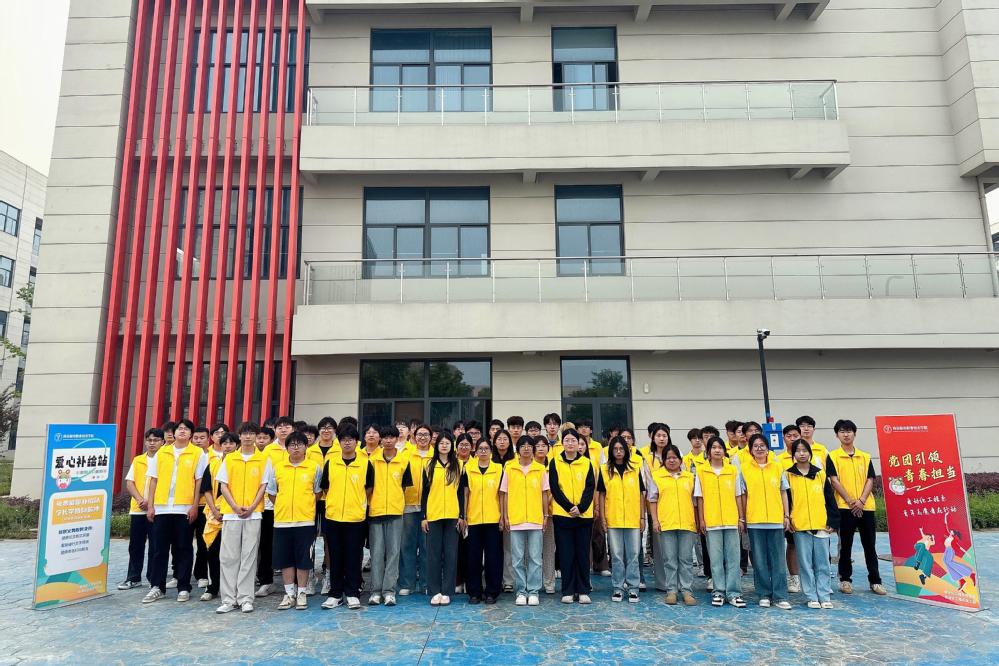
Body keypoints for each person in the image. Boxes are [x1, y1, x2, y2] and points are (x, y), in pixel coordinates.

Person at [142, 418, 209, 603]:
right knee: (159, 549)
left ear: (191, 434)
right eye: (179, 428)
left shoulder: (198, 453)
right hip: (162, 508)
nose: (182, 431)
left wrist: (194, 506)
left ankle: (184, 587)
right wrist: (151, 505)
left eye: (186, 429)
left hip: (184, 508)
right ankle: (157, 586)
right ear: (174, 432)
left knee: (184, 548)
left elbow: (199, 482)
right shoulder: (162, 452)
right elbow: (153, 480)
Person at [215, 422, 271, 613]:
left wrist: (252, 506)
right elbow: (223, 485)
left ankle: (246, 598)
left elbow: (263, 486)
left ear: (256, 436)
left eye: (251, 433)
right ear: (239, 436)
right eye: (244, 433)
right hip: (231, 514)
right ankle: (228, 599)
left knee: (249, 557)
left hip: (254, 514)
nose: (248, 437)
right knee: (229, 557)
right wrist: (234, 506)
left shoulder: (263, 459)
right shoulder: (230, 458)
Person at [826, 419, 887, 595]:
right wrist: (851, 501)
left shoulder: (865, 456)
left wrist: (861, 501)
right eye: (842, 431)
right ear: (837, 435)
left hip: (866, 506)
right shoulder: (833, 456)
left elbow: (870, 479)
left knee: (870, 546)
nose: (846, 434)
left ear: (854, 433)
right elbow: (834, 480)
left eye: (849, 431)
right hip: (844, 507)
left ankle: (875, 581)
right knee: (845, 545)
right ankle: (845, 580)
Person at [267, 432, 323, 610]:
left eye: (300, 444)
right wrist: (283, 506)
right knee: (286, 559)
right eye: (292, 444)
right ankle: (289, 593)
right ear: (287, 448)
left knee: (303, 559)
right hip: (282, 521)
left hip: (305, 521)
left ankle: (302, 593)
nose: (296, 448)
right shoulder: (278, 468)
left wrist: (305, 505)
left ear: (306, 447)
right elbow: (272, 493)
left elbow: (317, 493)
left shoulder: (314, 468)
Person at [320, 425, 373, 611]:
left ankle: (352, 593)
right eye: (343, 439)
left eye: (351, 439)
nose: (347, 442)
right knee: (335, 556)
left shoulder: (366, 463)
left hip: (356, 518)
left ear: (357, 442)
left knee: (353, 556)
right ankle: (335, 594)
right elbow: (325, 486)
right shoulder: (331, 463)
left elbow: (369, 488)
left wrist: (357, 502)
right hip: (333, 516)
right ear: (339, 442)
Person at [785, 439, 839, 609]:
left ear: (810, 452)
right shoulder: (788, 475)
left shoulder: (820, 474)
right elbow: (787, 501)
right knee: (805, 564)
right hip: (800, 526)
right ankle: (811, 596)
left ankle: (824, 595)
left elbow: (830, 499)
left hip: (821, 524)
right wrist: (788, 519)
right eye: (798, 450)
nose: (802, 453)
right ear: (793, 454)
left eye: (805, 450)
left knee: (823, 563)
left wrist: (832, 521)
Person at [740, 433, 792, 609]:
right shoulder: (744, 469)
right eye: (755, 446)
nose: (759, 448)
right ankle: (764, 594)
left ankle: (780, 595)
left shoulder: (777, 467)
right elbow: (743, 495)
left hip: (776, 520)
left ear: (768, 448)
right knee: (759, 560)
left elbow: (783, 491)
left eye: (762, 445)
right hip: (755, 521)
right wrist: (743, 517)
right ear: (750, 450)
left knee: (778, 560)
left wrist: (786, 515)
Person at [696, 437, 746, 608]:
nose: (717, 450)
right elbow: (700, 498)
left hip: (731, 520)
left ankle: (734, 593)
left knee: (733, 559)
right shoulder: (701, 471)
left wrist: (741, 518)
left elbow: (738, 495)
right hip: (712, 521)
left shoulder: (732, 470)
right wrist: (702, 519)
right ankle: (718, 592)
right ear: (708, 451)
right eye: (714, 447)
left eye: (720, 447)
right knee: (716, 559)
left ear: (724, 451)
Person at [501, 436, 550, 606]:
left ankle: (534, 591)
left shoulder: (540, 469)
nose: (527, 448)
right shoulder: (510, 468)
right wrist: (505, 516)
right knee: (517, 559)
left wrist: (545, 516)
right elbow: (504, 494)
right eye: (523, 445)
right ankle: (521, 591)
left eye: (530, 445)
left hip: (535, 519)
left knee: (535, 558)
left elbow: (545, 494)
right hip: (516, 519)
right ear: (518, 449)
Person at [367, 424, 413, 606]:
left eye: (391, 437)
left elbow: (404, 486)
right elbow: (368, 487)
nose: (388, 440)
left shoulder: (404, 461)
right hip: (376, 512)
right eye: (385, 437)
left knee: (394, 553)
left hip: (395, 512)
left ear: (396, 439)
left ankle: (389, 591)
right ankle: (375, 591)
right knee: (377, 553)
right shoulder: (372, 461)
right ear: (381, 439)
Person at [549, 428, 595, 604]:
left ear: (579, 444)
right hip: (563, 515)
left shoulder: (586, 463)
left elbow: (590, 488)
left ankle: (583, 590)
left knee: (582, 554)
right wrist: (569, 507)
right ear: (562, 443)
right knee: (566, 553)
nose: (570, 443)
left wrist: (581, 508)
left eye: (573, 440)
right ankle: (567, 590)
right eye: (567, 440)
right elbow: (555, 488)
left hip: (584, 516)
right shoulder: (555, 462)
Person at [649, 444, 698, 606]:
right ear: (663, 460)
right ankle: (671, 591)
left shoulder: (689, 477)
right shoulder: (657, 476)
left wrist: (697, 521)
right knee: (669, 559)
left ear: (680, 460)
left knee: (686, 559)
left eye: (674, 457)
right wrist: (655, 521)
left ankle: (687, 591)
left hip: (687, 523)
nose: (671, 460)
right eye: (668, 458)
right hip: (666, 523)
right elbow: (652, 500)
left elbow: (695, 501)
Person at [598, 436, 645, 602]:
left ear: (626, 450)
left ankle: (633, 588)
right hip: (613, 518)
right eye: (615, 449)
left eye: (621, 449)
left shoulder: (635, 469)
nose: (618, 452)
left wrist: (642, 517)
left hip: (633, 518)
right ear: (611, 451)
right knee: (616, 555)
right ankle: (618, 587)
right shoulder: (604, 470)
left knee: (633, 555)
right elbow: (601, 495)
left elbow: (641, 494)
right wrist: (603, 518)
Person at [421, 430, 464, 606]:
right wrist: (424, 516)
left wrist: (461, 516)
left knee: (451, 554)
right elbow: (425, 492)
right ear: (436, 445)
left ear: (451, 446)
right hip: (434, 514)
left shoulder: (459, 465)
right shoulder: (428, 465)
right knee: (433, 555)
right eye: (441, 443)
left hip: (453, 515)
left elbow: (461, 493)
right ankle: (434, 591)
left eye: (447, 443)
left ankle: (447, 591)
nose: (444, 445)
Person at [118, 428, 164, 590]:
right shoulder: (138, 460)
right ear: (145, 442)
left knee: (155, 546)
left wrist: (151, 503)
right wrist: (140, 499)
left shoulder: (165, 460)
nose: (152, 443)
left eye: (156, 440)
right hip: (138, 509)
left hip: (157, 509)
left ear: (162, 442)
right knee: (135, 545)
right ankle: (133, 577)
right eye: (149, 440)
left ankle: (153, 578)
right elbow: (130, 483)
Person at [255, 415, 294, 597]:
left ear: (293, 429)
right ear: (275, 430)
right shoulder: (267, 450)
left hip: (293, 505)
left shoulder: (299, 447)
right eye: (280, 427)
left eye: (287, 426)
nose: (283, 430)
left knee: (290, 543)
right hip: (269, 505)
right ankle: (266, 581)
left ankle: (294, 582)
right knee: (266, 544)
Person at [461, 439, 503, 604]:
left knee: (493, 558)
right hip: (474, 519)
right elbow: (465, 494)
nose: (483, 451)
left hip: (494, 519)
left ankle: (492, 592)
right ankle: (474, 592)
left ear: (491, 451)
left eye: (486, 448)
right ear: (475, 451)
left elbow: (502, 495)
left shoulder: (498, 469)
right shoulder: (468, 469)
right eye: (480, 449)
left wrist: (502, 516)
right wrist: (464, 516)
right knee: (473, 558)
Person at [198, 432, 238, 602]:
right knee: (213, 552)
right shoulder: (213, 464)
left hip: (235, 514)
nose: (228, 446)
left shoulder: (240, 465)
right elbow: (206, 489)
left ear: (237, 445)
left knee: (233, 554)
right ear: (220, 446)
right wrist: (214, 510)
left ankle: (232, 587)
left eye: (231, 443)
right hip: (215, 515)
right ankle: (213, 587)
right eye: (225, 443)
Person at [307, 415, 340, 596]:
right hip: (312, 500)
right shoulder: (310, 451)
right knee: (309, 539)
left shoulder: (339, 449)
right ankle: (310, 576)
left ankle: (328, 575)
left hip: (332, 500)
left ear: (334, 431)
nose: (326, 431)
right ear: (319, 431)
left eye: (330, 427)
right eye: (323, 428)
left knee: (329, 539)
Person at [400, 423, 433, 596]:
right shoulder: (406, 454)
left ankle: (426, 583)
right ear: (414, 436)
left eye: (426, 434)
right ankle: (407, 583)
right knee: (407, 545)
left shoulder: (436, 456)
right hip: (409, 505)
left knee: (427, 546)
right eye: (419, 434)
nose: (422, 437)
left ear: (431, 437)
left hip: (430, 507)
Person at [644, 423, 672, 591]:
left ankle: (677, 581)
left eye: (664, 435)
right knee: (660, 548)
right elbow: (648, 484)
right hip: (655, 507)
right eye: (658, 436)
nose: (662, 438)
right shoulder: (648, 459)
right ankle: (663, 582)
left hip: (674, 506)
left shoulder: (675, 454)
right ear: (653, 438)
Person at [492, 428, 516, 591]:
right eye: (499, 439)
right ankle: (493, 579)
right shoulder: (487, 459)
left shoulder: (515, 461)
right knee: (493, 548)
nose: (502, 442)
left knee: (508, 547)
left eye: (505, 439)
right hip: (490, 508)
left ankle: (508, 580)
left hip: (510, 508)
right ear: (494, 442)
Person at [533, 437, 557, 594]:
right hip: (531, 514)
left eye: (544, 445)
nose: (541, 448)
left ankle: (549, 582)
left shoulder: (553, 467)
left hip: (550, 514)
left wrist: (545, 507)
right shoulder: (529, 466)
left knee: (549, 549)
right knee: (531, 551)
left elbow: (555, 489)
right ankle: (533, 582)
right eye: (538, 445)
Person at [942, 512, 975, 592]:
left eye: (952, 531)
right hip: (946, 550)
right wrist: (945, 516)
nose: (950, 532)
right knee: (945, 562)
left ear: (954, 533)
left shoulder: (953, 539)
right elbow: (945, 525)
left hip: (950, 550)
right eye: (950, 531)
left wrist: (966, 553)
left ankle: (970, 574)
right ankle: (961, 580)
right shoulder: (948, 535)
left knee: (949, 562)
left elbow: (959, 547)